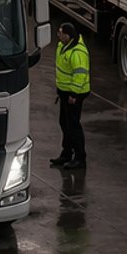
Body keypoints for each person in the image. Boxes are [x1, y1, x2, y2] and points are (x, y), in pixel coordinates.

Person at [50, 23, 89, 169]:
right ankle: (66, 153)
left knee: (73, 126)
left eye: (60, 33)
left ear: (68, 35)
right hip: (64, 92)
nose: (58, 35)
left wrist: (74, 94)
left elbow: (80, 75)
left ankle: (80, 158)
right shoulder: (63, 46)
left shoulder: (78, 53)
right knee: (64, 123)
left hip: (74, 94)